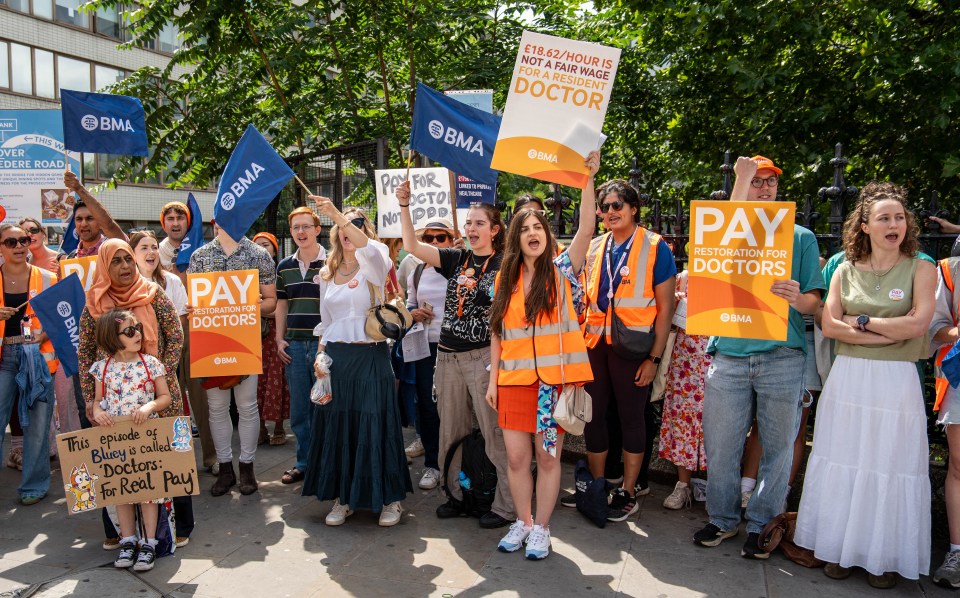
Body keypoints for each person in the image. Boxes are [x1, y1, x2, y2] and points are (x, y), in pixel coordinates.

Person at [795, 181, 934, 588]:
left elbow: (919, 323)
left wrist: (861, 322)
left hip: (896, 381)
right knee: (845, 457)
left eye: (900, 217)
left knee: (889, 462)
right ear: (866, 226)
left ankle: (884, 557)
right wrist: (886, 330)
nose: (895, 224)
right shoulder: (844, 267)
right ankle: (840, 549)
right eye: (885, 218)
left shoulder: (921, 266)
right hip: (850, 377)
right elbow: (829, 324)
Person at [694, 155, 825, 558]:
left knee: (779, 446)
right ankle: (722, 519)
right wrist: (741, 179)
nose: (765, 188)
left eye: (770, 182)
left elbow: (815, 305)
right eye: (756, 182)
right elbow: (725, 231)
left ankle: (763, 524)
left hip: (782, 357)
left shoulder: (801, 237)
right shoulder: (726, 231)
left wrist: (797, 297)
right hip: (729, 356)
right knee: (720, 445)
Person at [485, 152, 598, 560]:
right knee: (516, 458)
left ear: (548, 235)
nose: (532, 232)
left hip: (554, 385)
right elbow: (498, 332)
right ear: (514, 238)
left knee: (548, 460)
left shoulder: (564, 268)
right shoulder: (505, 277)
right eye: (524, 228)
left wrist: (588, 178)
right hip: (513, 384)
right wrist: (493, 380)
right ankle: (524, 522)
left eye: (538, 227)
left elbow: (587, 226)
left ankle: (542, 529)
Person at [398, 188, 516, 529]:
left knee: (494, 434)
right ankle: (456, 496)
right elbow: (412, 246)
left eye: (479, 222)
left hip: (483, 359)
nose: (472, 228)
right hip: (447, 358)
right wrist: (405, 206)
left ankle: (505, 505)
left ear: (494, 229)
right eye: (468, 223)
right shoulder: (456, 259)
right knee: (450, 431)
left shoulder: (505, 265)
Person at [301, 201, 412, 527]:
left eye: (357, 224)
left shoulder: (376, 261)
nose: (349, 230)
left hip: (370, 357)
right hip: (337, 359)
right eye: (344, 225)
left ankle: (390, 500)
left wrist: (337, 213)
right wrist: (321, 355)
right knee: (341, 428)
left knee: (375, 426)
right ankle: (343, 498)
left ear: (365, 231)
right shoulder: (326, 272)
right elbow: (326, 322)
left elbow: (372, 251)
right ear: (336, 234)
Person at [575, 176, 676, 523]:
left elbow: (665, 312)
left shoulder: (655, 246)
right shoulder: (594, 246)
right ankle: (598, 483)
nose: (610, 212)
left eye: (618, 205)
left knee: (632, 419)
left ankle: (630, 491)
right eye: (605, 207)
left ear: (634, 209)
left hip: (633, 348)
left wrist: (654, 359)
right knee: (593, 415)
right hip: (594, 345)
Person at [188, 222, 277, 496]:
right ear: (215, 221)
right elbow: (194, 302)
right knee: (217, 408)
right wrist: (194, 307)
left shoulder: (258, 255)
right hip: (211, 342)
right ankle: (225, 468)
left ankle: (247, 466)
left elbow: (271, 301)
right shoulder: (199, 256)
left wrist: (245, 307)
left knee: (247, 406)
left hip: (246, 341)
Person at [89, 309, 172, 572]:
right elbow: (97, 401)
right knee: (122, 491)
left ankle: (149, 542)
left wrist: (149, 408)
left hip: (145, 440)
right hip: (116, 441)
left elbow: (165, 397)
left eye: (137, 328)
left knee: (148, 493)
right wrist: (99, 412)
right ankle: (127, 540)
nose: (136, 334)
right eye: (129, 331)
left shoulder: (151, 364)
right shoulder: (102, 369)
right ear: (112, 338)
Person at [126, 229, 194, 548]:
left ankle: (182, 525)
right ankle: (135, 532)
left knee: (174, 452)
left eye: (155, 246)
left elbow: (176, 335)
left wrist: (160, 373)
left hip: (165, 384)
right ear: (131, 254)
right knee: (136, 459)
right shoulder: (116, 291)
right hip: (129, 390)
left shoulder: (171, 285)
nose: (151, 252)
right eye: (144, 247)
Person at [0, 223, 58, 505]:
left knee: (38, 424)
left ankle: (34, 486)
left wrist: (43, 334)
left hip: (37, 358)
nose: (19, 246)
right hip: (3, 361)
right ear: (1, 247)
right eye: (11, 242)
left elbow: (61, 317)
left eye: (23, 240)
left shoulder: (48, 278)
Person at [274, 209, 327, 485]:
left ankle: (326, 463)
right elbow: (282, 304)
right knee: (299, 411)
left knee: (325, 406)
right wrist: (279, 338)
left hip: (324, 347)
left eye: (306, 226)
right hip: (294, 345)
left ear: (318, 229)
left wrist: (325, 346)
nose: (301, 232)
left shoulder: (333, 261)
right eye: (296, 227)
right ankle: (303, 463)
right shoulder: (284, 266)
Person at [403, 219, 455, 489]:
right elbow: (409, 304)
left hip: (456, 347)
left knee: (457, 409)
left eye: (441, 238)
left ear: (451, 240)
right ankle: (433, 464)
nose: (434, 243)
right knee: (427, 405)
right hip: (427, 346)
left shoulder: (459, 267)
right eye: (429, 238)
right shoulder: (417, 272)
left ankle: (456, 464)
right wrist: (414, 314)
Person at [658, 269, 710, 509]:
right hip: (686, 362)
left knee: (721, 423)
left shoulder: (734, 277)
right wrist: (674, 302)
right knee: (682, 421)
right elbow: (663, 319)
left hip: (721, 359)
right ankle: (683, 485)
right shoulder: (684, 277)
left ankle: (718, 487)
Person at [932, 256, 960, 589]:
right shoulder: (952, 268)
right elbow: (932, 328)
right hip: (959, 376)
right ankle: (956, 552)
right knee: (958, 465)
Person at [252, 231, 291, 448]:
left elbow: (282, 307)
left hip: (277, 333)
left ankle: (278, 427)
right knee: (256, 382)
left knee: (278, 380)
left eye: (265, 245)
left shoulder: (281, 273)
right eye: (256, 245)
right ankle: (259, 429)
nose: (261, 249)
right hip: (254, 336)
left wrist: (263, 309)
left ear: (274, 249)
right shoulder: (246, 275)